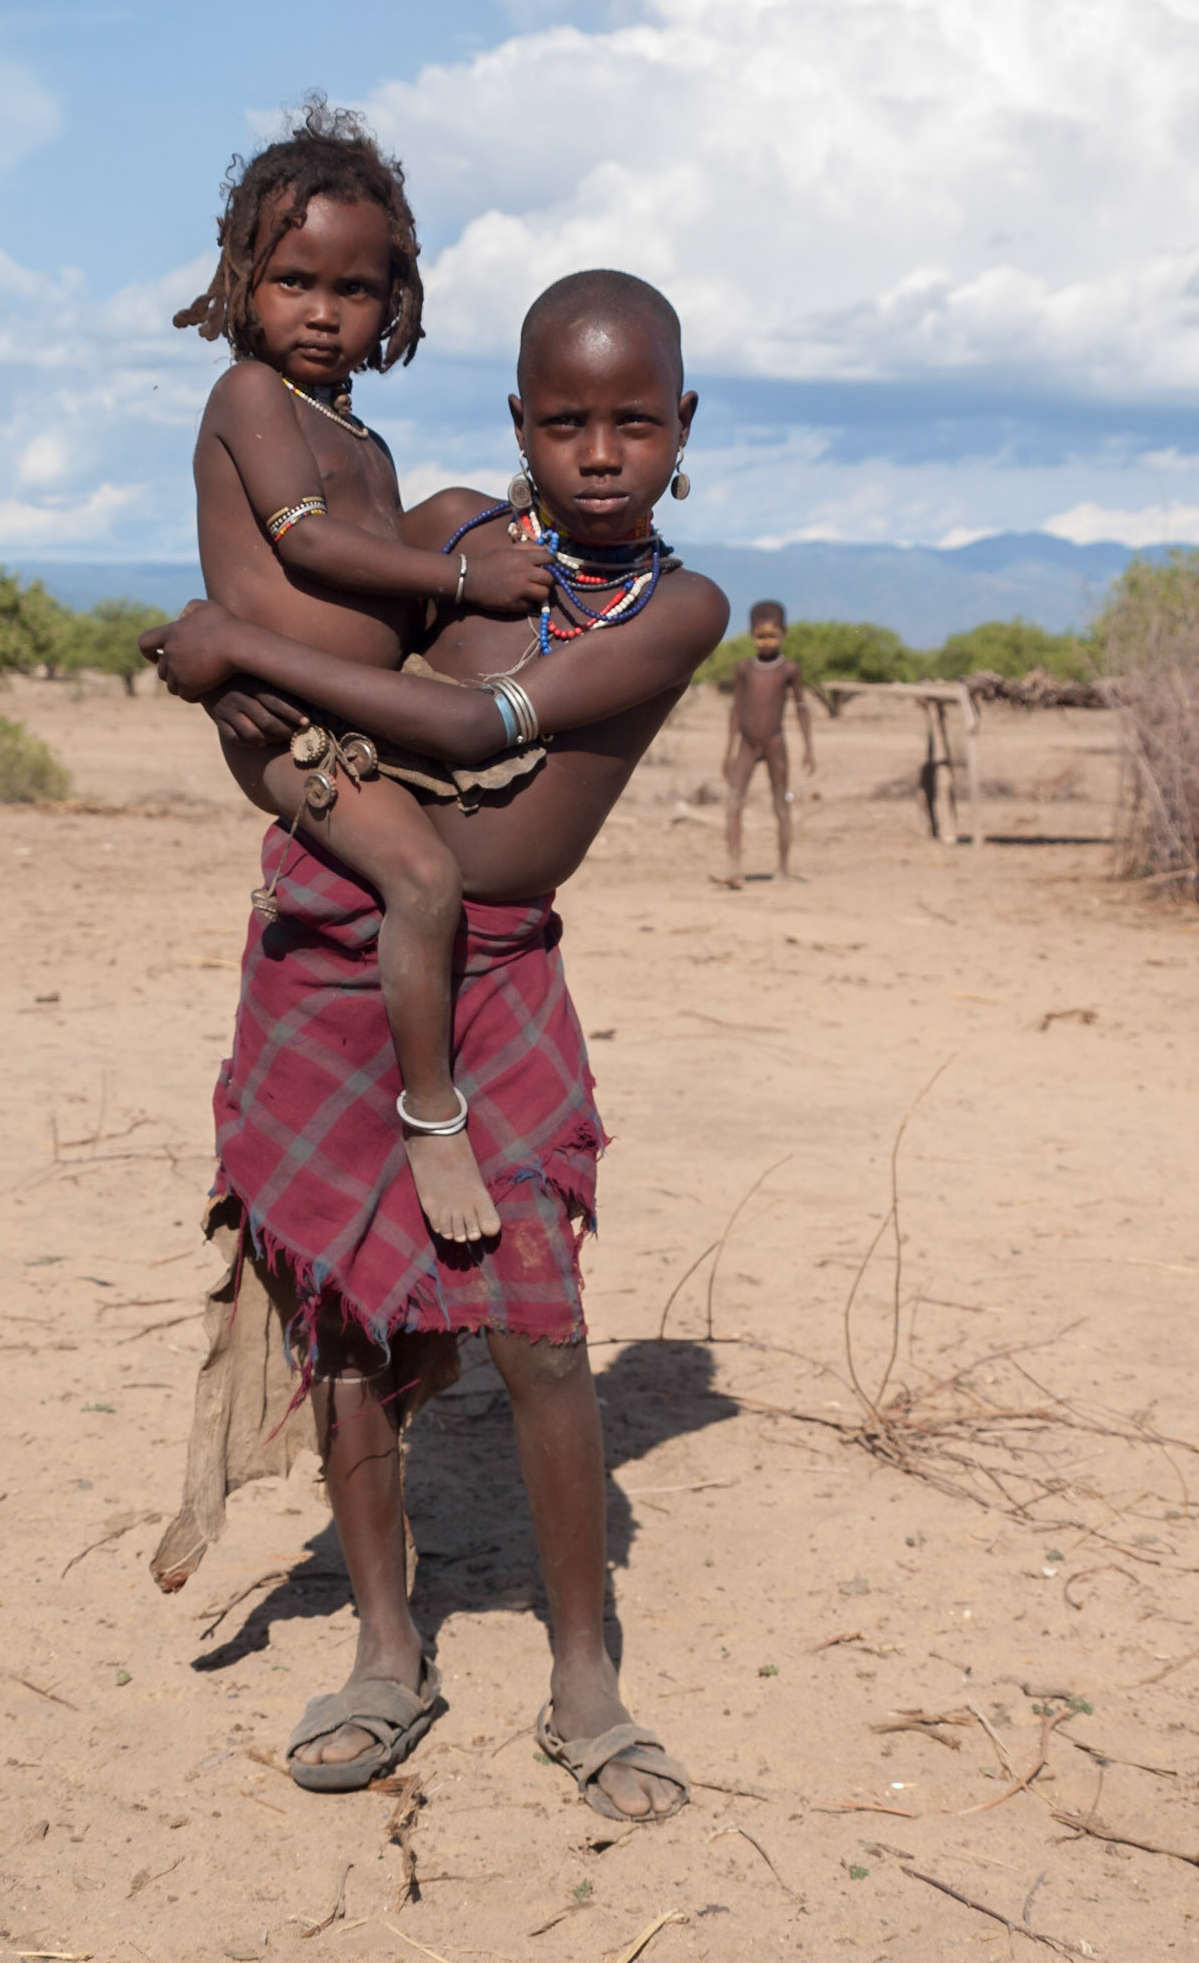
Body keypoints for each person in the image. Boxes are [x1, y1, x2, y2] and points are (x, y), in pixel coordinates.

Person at [142, 268, 729, 1819]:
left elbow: (471, 732)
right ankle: (388, 1653)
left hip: (498, 971)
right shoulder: (465, 529)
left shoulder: (681, 607)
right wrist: (247, 689)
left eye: (638, 422)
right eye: (567, 420)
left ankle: (583, 1676)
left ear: (687, 429)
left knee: (536, 1328)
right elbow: (319, 595)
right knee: (344, 1320)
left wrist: (242, 665)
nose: (603, 451)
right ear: (519, 424)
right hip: (333, 942)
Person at [175, 97, 554, 1245]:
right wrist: (459, 584)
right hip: (294, 728)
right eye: (296, 281)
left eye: (355, 290)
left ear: (395, 300)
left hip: (366, 702)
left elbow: (389, 538)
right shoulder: (250, 398)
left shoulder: (363, 441)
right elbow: (308, 545)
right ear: (245, 276)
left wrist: (486, 527)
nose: (324, 314)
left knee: (458, 511)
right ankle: (432, 1115)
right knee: (426, 882)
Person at [720, 600, 814, 887]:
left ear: (783, 634)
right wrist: (728, 751)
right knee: (733, 803)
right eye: (761, 636)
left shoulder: (789, 670)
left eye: (772, 635)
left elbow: (801, 706)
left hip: (775, 742)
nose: (766, 642)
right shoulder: (744, 669)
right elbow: (736, 707)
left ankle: (783, 869)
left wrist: (809, 747)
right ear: (752, 635)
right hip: (747, 744)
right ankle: (734, 868)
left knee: (780, 805)